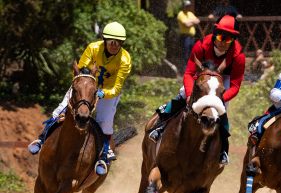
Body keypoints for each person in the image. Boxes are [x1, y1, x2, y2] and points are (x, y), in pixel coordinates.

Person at [28, 22, 131, 176]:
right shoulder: (93, 48)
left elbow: (117, 87)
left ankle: (103, 157)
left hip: (107, 92)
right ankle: (41, 138)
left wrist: (103, 93)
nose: (115, 46)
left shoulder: (125, 59)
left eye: (119, 43)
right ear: (105, 40)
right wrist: (85, 88)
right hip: (86, 86)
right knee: (60, 109)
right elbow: (80, 73)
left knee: (105, 121)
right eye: (112, 42)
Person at [149, 15, 245, 165]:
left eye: (229, 39)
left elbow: (235, 86)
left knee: (222, 109)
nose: (223, 42)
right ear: (215, 34)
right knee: (182, 93)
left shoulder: (239, 56)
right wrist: (188, 95)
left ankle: (223, 149)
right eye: (221, 37)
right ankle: (160, 126)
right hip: (203, 75)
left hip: (222, 78)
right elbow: (188, 73)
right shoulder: (201, 45)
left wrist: (218, 99)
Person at [177, 0, 200, 72]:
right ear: (183, 6)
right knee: (185, 55)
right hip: (184, 37)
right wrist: (193, 22)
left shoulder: (190, 14)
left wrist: (191, 22)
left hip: (191, 38)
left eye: (189, 6)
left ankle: (190, 70)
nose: (188, 7)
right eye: (186, 6)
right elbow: (186, 24)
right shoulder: (181, 14)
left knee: (192, 55)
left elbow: (197, 20)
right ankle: (184, 71)